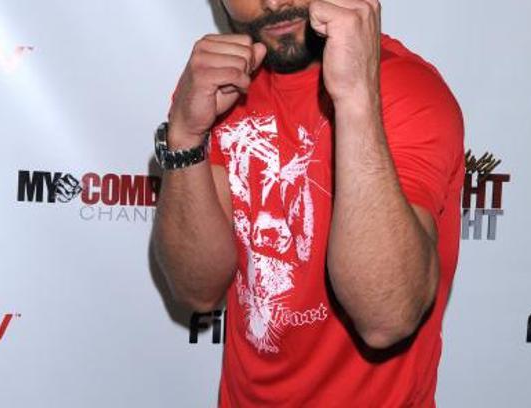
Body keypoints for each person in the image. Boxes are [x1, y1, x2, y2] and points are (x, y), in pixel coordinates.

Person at [152, 0, 464, 406]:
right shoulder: (224, 85)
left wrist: (355, 100)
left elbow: (386, 318)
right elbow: (197, 289)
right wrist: (185, 137)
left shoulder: (405, 89)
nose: (274, 2)